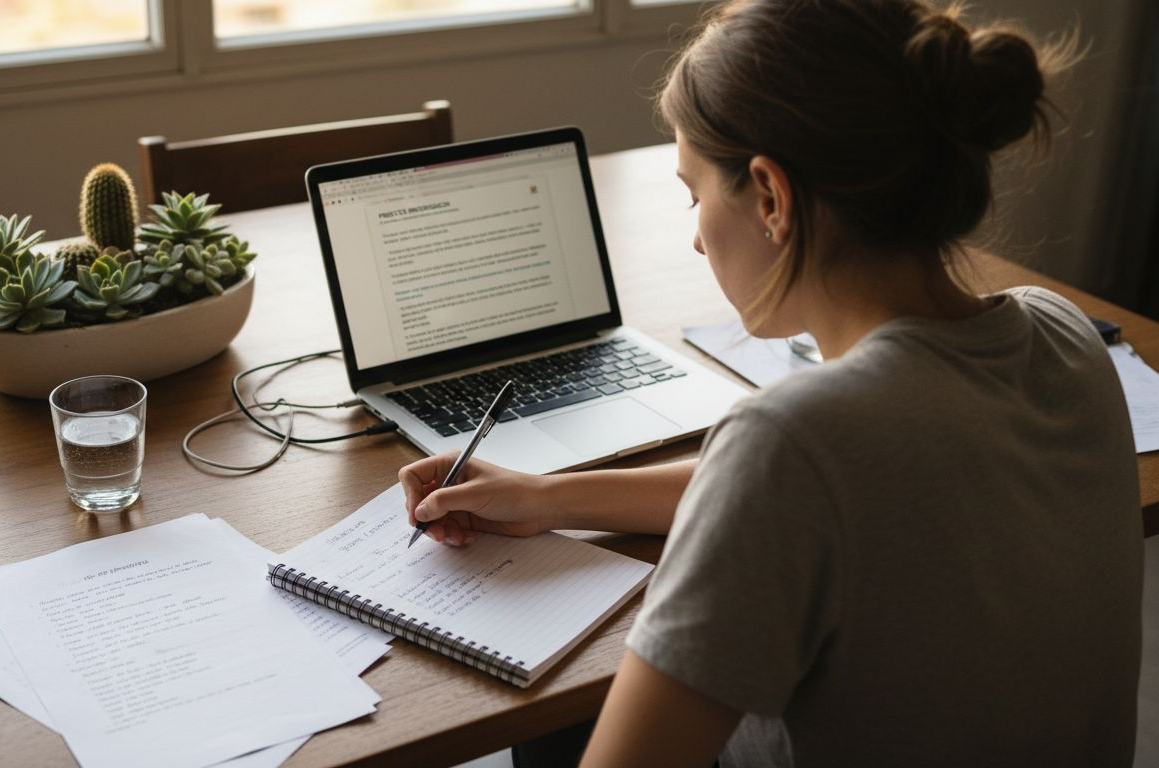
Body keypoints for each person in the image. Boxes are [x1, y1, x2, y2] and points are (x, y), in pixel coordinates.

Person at [398, 0, 1143, 765]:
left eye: (695, 193)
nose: (693, 235)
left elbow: (787, 476)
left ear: (771, 197)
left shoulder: (793, 440)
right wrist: (550, 497)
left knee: (556, 717)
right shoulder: (1061, 334)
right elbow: (803, 491)